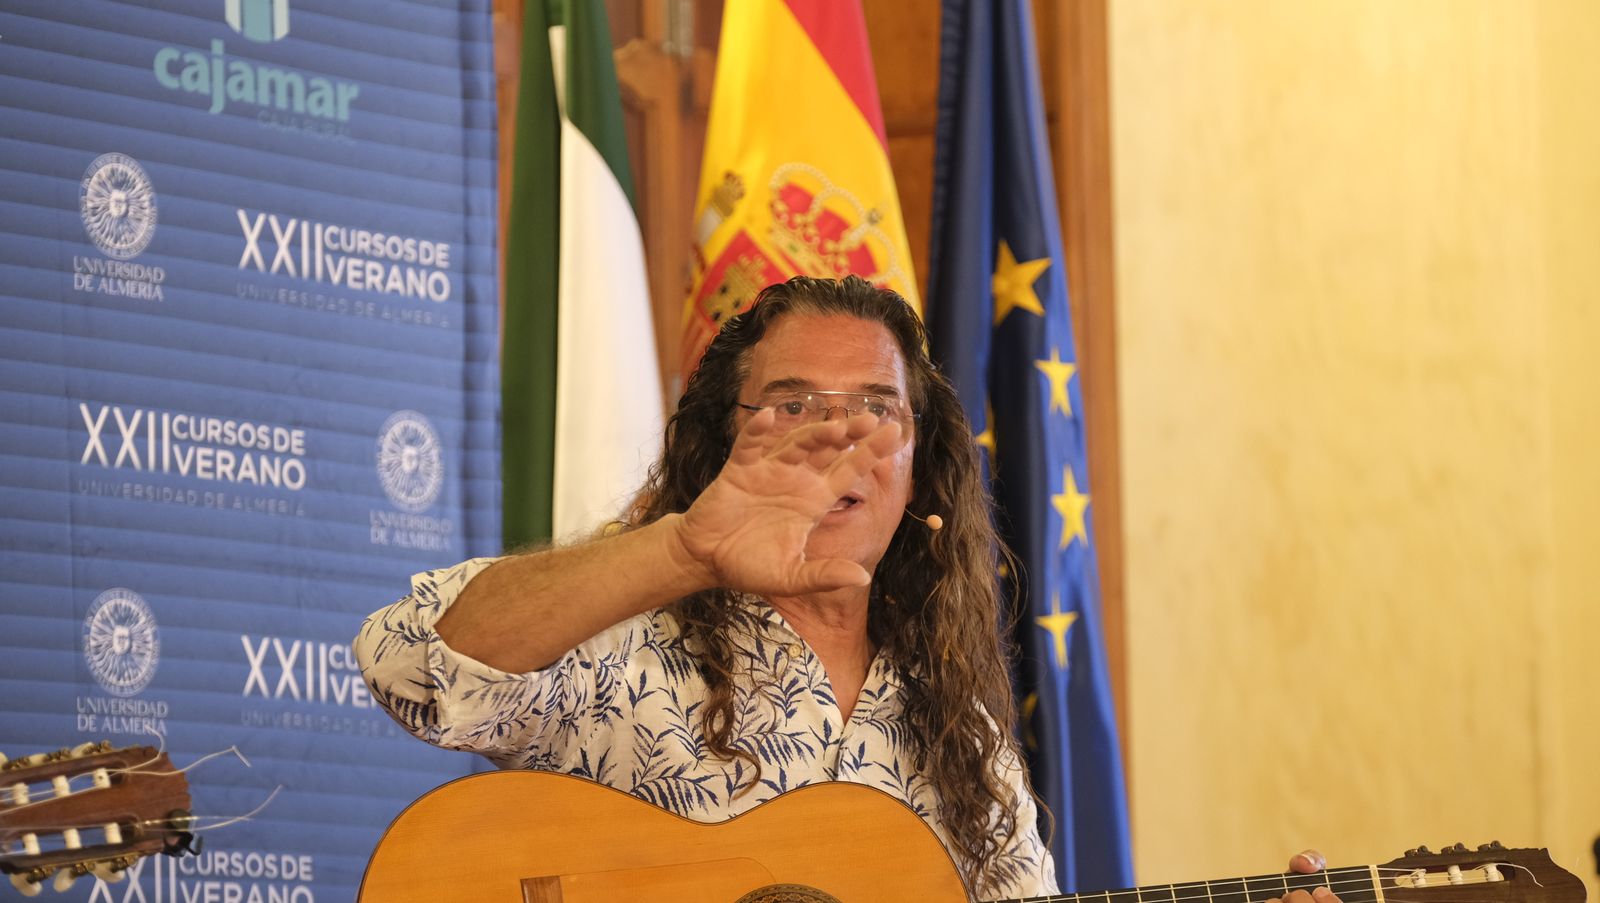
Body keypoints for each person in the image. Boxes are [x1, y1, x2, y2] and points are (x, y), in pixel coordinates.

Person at [356, 275, 1339, 902]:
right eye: (793, 405)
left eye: (877, 409)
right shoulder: (623, 642)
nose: (838, 438)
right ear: (722, 439)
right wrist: (683, 551)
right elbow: (403, 664)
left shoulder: (964, 739)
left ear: (919, 467)